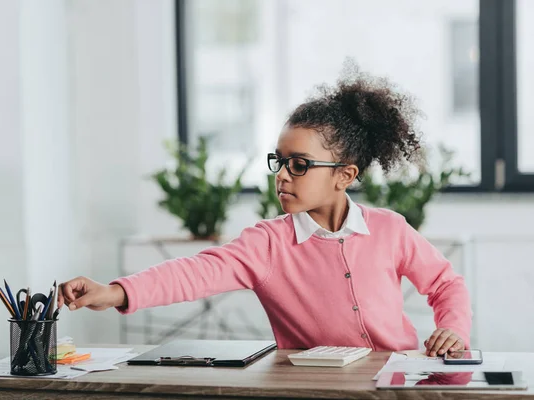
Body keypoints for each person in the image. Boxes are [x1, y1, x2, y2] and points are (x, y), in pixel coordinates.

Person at [57, 64, 472, 356]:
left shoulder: (389, 230)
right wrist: (115, 292)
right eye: (280, 161)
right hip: (311, 388)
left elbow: (444, 284)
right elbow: (194, 272)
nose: (283, 176)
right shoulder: (267, 244)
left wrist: (451, 328)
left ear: (344, 175)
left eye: (300, 165)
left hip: (398, 378)